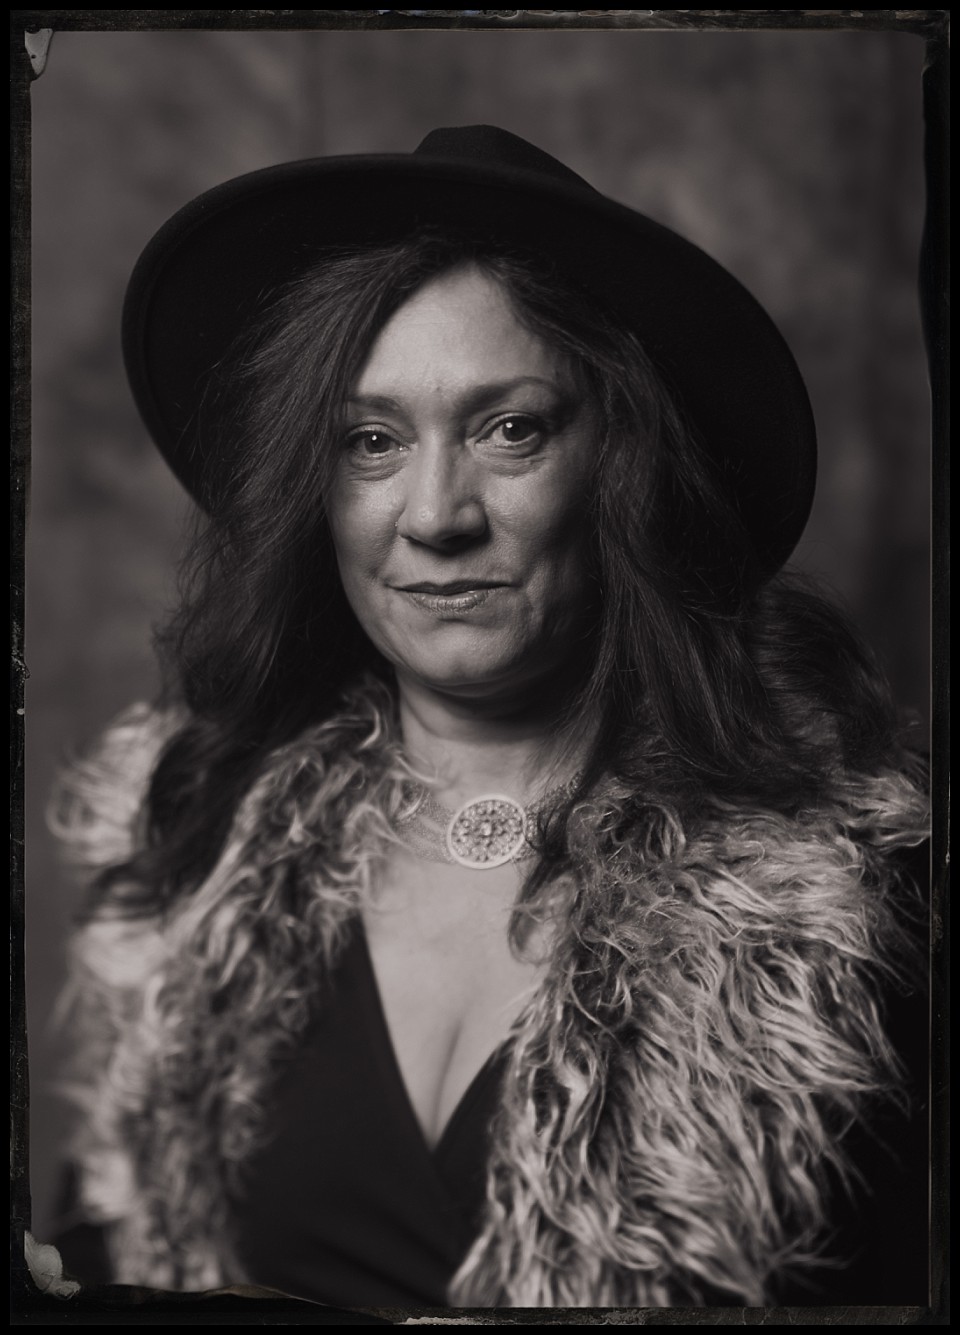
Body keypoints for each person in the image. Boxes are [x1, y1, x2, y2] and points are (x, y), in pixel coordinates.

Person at [49, 125, 929, 1310]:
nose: (434, 514)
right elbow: (99, 1260)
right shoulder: (197, 837)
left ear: (621, 463)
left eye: (509, 429)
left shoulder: (847, 897)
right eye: (369, 443)